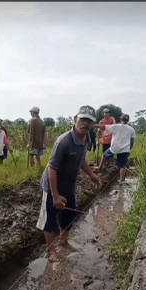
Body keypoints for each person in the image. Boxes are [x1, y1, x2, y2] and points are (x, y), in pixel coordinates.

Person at [36, 105, 102, 262]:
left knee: (69, 214)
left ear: (93, 123)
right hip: (52, 185)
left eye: (89, 121)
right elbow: (52, 169)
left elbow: (81, 160)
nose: (85, 123)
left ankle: (64, 242)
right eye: (82, 119)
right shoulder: (63, 141)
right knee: (50, 219)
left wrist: (91, 174)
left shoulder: (87, 137)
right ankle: (51, 251)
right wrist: (56, 195)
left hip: (69, 184)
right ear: (75, 119)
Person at [94, 114, 135, 184]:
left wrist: (93, 125)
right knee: (122, 166)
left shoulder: (116, 126)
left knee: (104, 155)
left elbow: (103, 126)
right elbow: (132, 142)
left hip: (114, 148)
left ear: (121, 119)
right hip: (125, 149)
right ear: (127, 120)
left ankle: (99, 168)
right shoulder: (132, 129)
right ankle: (121, 181)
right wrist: (129, 149)